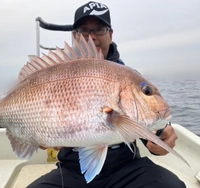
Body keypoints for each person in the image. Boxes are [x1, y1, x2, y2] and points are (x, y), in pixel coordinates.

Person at [27, 1, 186, 187]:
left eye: (100, 29)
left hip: (126, 168)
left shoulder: (129, 77)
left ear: (110, 34)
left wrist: (161, 137)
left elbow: (149, 129)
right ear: (74, 36)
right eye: (84, 30)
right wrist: (36, 134)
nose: (92, 36)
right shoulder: (56, 75)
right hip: (72, 170)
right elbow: (38, 124)